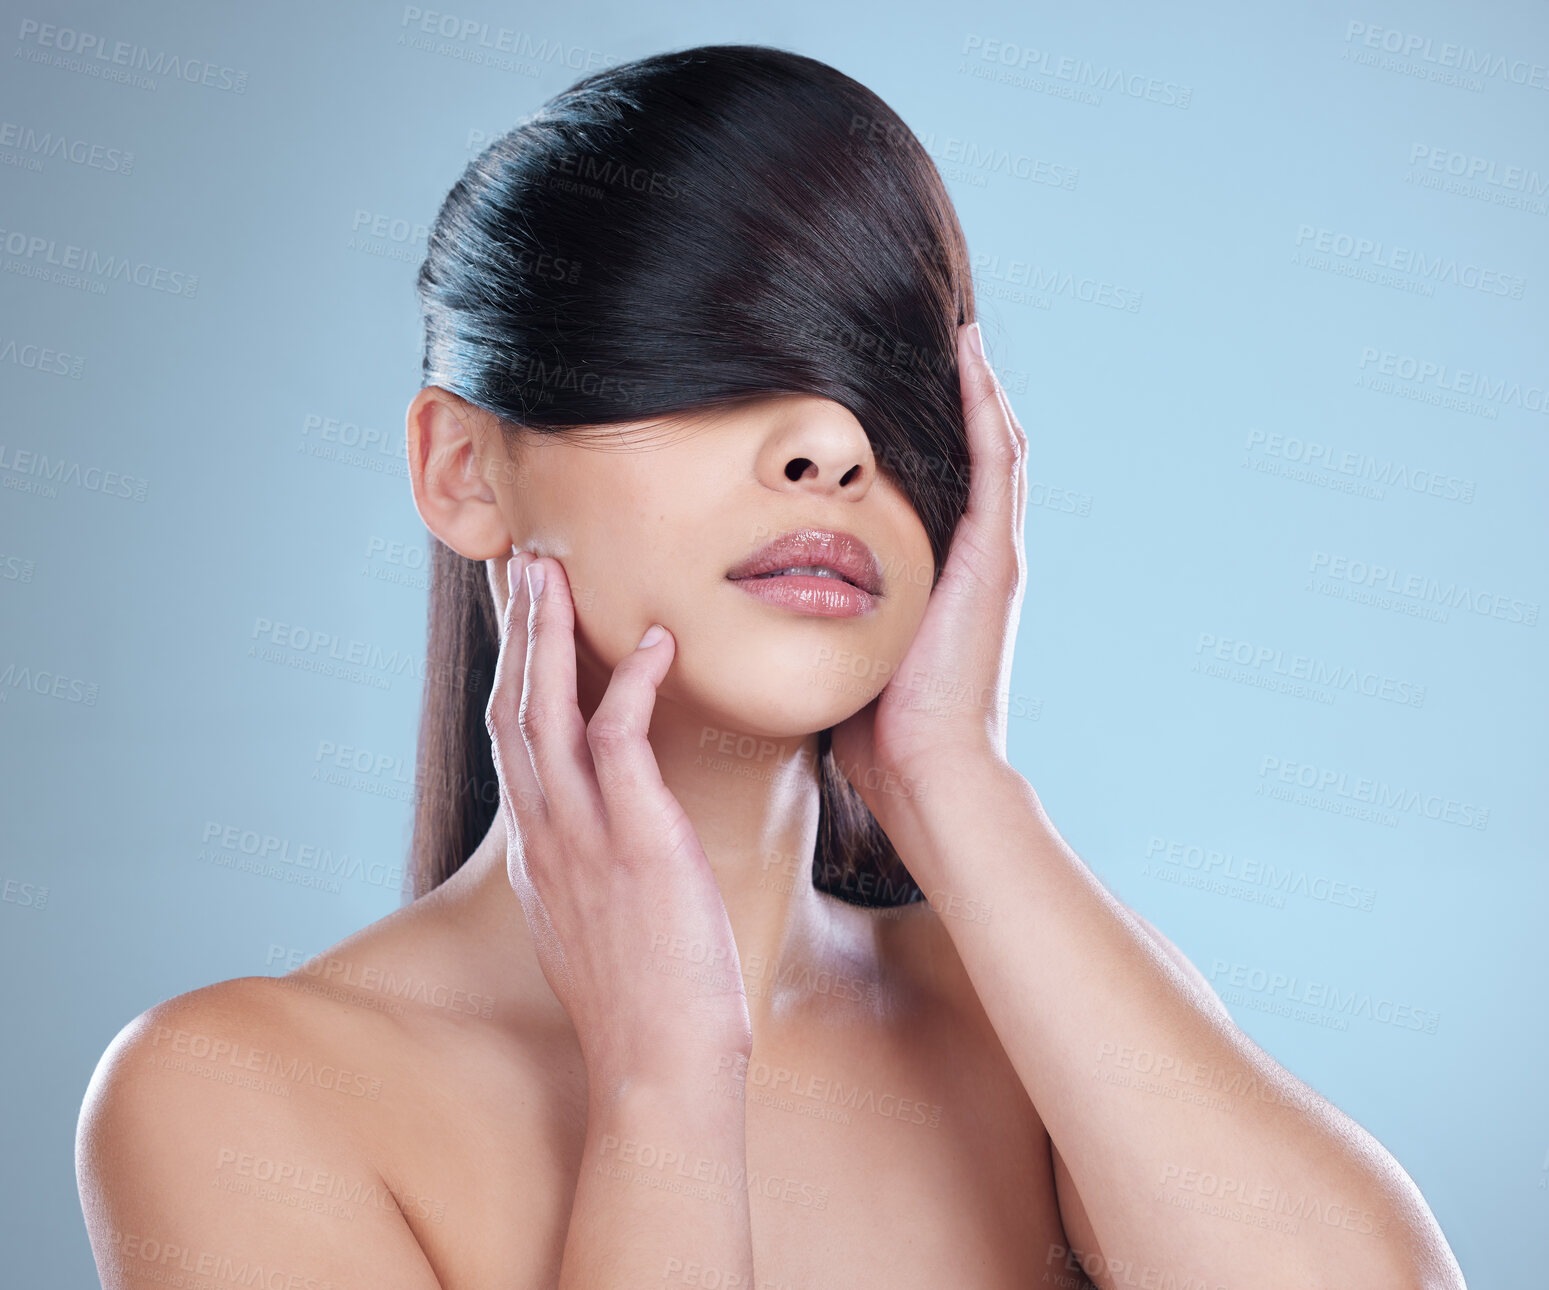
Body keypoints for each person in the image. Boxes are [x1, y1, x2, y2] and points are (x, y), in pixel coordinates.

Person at [75, 44, 1465, 1290]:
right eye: (707, 362)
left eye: (882, 379)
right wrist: (663, 1089)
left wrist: (952, 777)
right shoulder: (236, 1094)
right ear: (462, 467)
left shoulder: (1022, 1006)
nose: (830, 445)